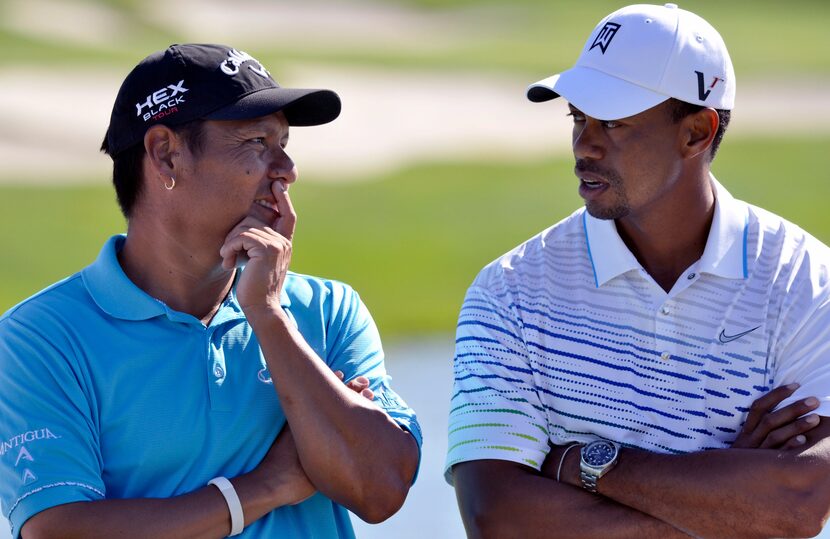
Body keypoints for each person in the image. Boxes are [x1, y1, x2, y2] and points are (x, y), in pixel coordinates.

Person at [0, 44, 421, 539]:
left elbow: (381, 491)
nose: (287, 169)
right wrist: (266, 486)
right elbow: (59, 531)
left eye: (286, 143)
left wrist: (268, 314)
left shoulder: (328, 310)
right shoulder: (37, 340)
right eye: (258, 142)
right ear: (165, 154)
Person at [445, 4, 830, 538]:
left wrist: (583, 465)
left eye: (614, 123)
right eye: (578, 118)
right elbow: (498, 519)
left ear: (697, 132)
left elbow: (800, 501)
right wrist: (726, 507)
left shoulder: (805, 280)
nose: (584, 145)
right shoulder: (508, 290)